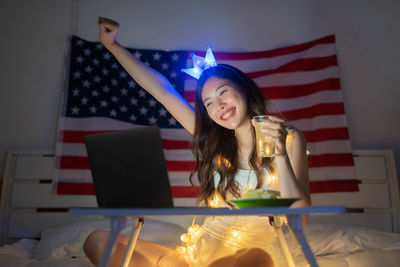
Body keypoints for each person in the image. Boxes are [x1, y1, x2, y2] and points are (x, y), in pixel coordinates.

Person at [83, 17, 311, 267]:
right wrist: (111, 44)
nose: (219, 106)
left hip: (252, 255)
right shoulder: (214, 140)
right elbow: (162, 91)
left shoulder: (288, 138)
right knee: (97, 241)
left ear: (243, 88)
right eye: (209, 103)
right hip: (193, 255)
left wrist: (279, 155)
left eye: (223, 92)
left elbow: (299, 220)